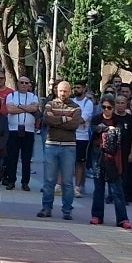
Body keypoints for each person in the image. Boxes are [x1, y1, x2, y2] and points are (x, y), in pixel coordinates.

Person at [34, 80, 80, 220]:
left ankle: (67, 210)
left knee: (67, 181)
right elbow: (47, 120)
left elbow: (75, 124)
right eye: (60, 91)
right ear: (56, 91)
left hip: (69, 146)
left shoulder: (76, 107)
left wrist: (58, 120)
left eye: (65, 91)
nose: (63, 93)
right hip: (51, 145)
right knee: (49, 180)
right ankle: (46, 208)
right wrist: (65, 118)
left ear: (70, 92)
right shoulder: (50, 104)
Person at [88, 100, 132, 229]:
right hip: (98, 155)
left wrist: (108, 129)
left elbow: (121, 134)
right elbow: (94, 129)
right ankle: (97, 215)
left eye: (109, 107)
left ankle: (122, 218)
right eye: (104, 107)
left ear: (113, 108)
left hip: (113, 156)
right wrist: (107, 128)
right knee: (98, 187)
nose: (106, 110)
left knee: (117, 189)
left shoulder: (118, 119)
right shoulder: (96, 118)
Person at [3, 75, 39, 191]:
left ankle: (25, 182)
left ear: (29, 85)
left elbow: (34, 109)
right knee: (12, 157)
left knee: (26, 158)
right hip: (13, 129)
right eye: (21, 82)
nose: (23, 85)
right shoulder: (11, 95)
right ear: (17, 84)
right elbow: (10, 110)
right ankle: (11, 180)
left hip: (28, 130)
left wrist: (18, 107)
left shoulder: (33, 96)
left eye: (26, 83)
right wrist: (26, 108)